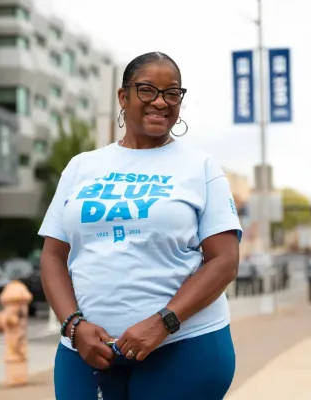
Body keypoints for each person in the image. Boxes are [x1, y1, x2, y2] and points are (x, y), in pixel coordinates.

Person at [39, 52, 243, 400]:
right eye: (147, 90)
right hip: (86, 352)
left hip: (183, 348)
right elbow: (53, 257)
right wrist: (74, 327)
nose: (160, 102)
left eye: (172, 93)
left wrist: (162, 323)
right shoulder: (81, 167)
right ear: (123, 97)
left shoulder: (201, 167)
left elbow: (225, 260)